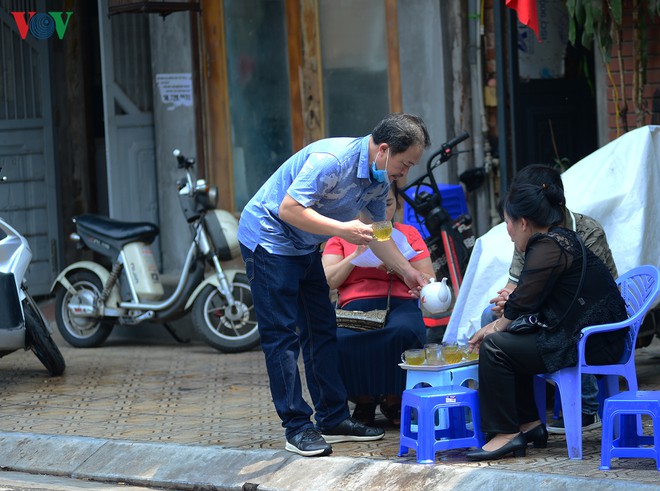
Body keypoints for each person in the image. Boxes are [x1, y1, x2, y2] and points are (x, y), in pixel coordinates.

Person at [238, 113, 432, 457]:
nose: (405, 174)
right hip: (267, 239)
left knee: (321, 328)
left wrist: (408, 272)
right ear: (384, 150)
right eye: (405, 164)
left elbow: (378, 234)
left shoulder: (378, 180)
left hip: (303, 245)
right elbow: (289, 209)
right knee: (282, 336)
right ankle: (296, 427)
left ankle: (332, 417)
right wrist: (342, 230)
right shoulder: (332, 161)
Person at [464, 175, 627, 462]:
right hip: (589, 334)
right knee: (509, 339)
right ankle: (530, 425)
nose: (509, 232)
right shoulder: (558, 239)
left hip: (593, 341)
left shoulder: (549, 244)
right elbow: (531, 298)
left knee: (495, 346)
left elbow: (525, 297)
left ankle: (506, 433)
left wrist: (494, 326)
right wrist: (505, 319)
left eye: (508, 223)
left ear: (523, 222)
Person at [322, 182, 434, 427]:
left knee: (405, 331)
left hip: (400, 301)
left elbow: (429, 278)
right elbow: (329, 280)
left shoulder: (409, 234)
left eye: (389, 204)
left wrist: (398, 266)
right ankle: (364, 400)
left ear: (398, 205)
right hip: (355, 305)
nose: (381, 211)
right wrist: (357, 255)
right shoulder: (342, 235)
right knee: (338, 338)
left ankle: (395, 398)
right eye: (373, 205)